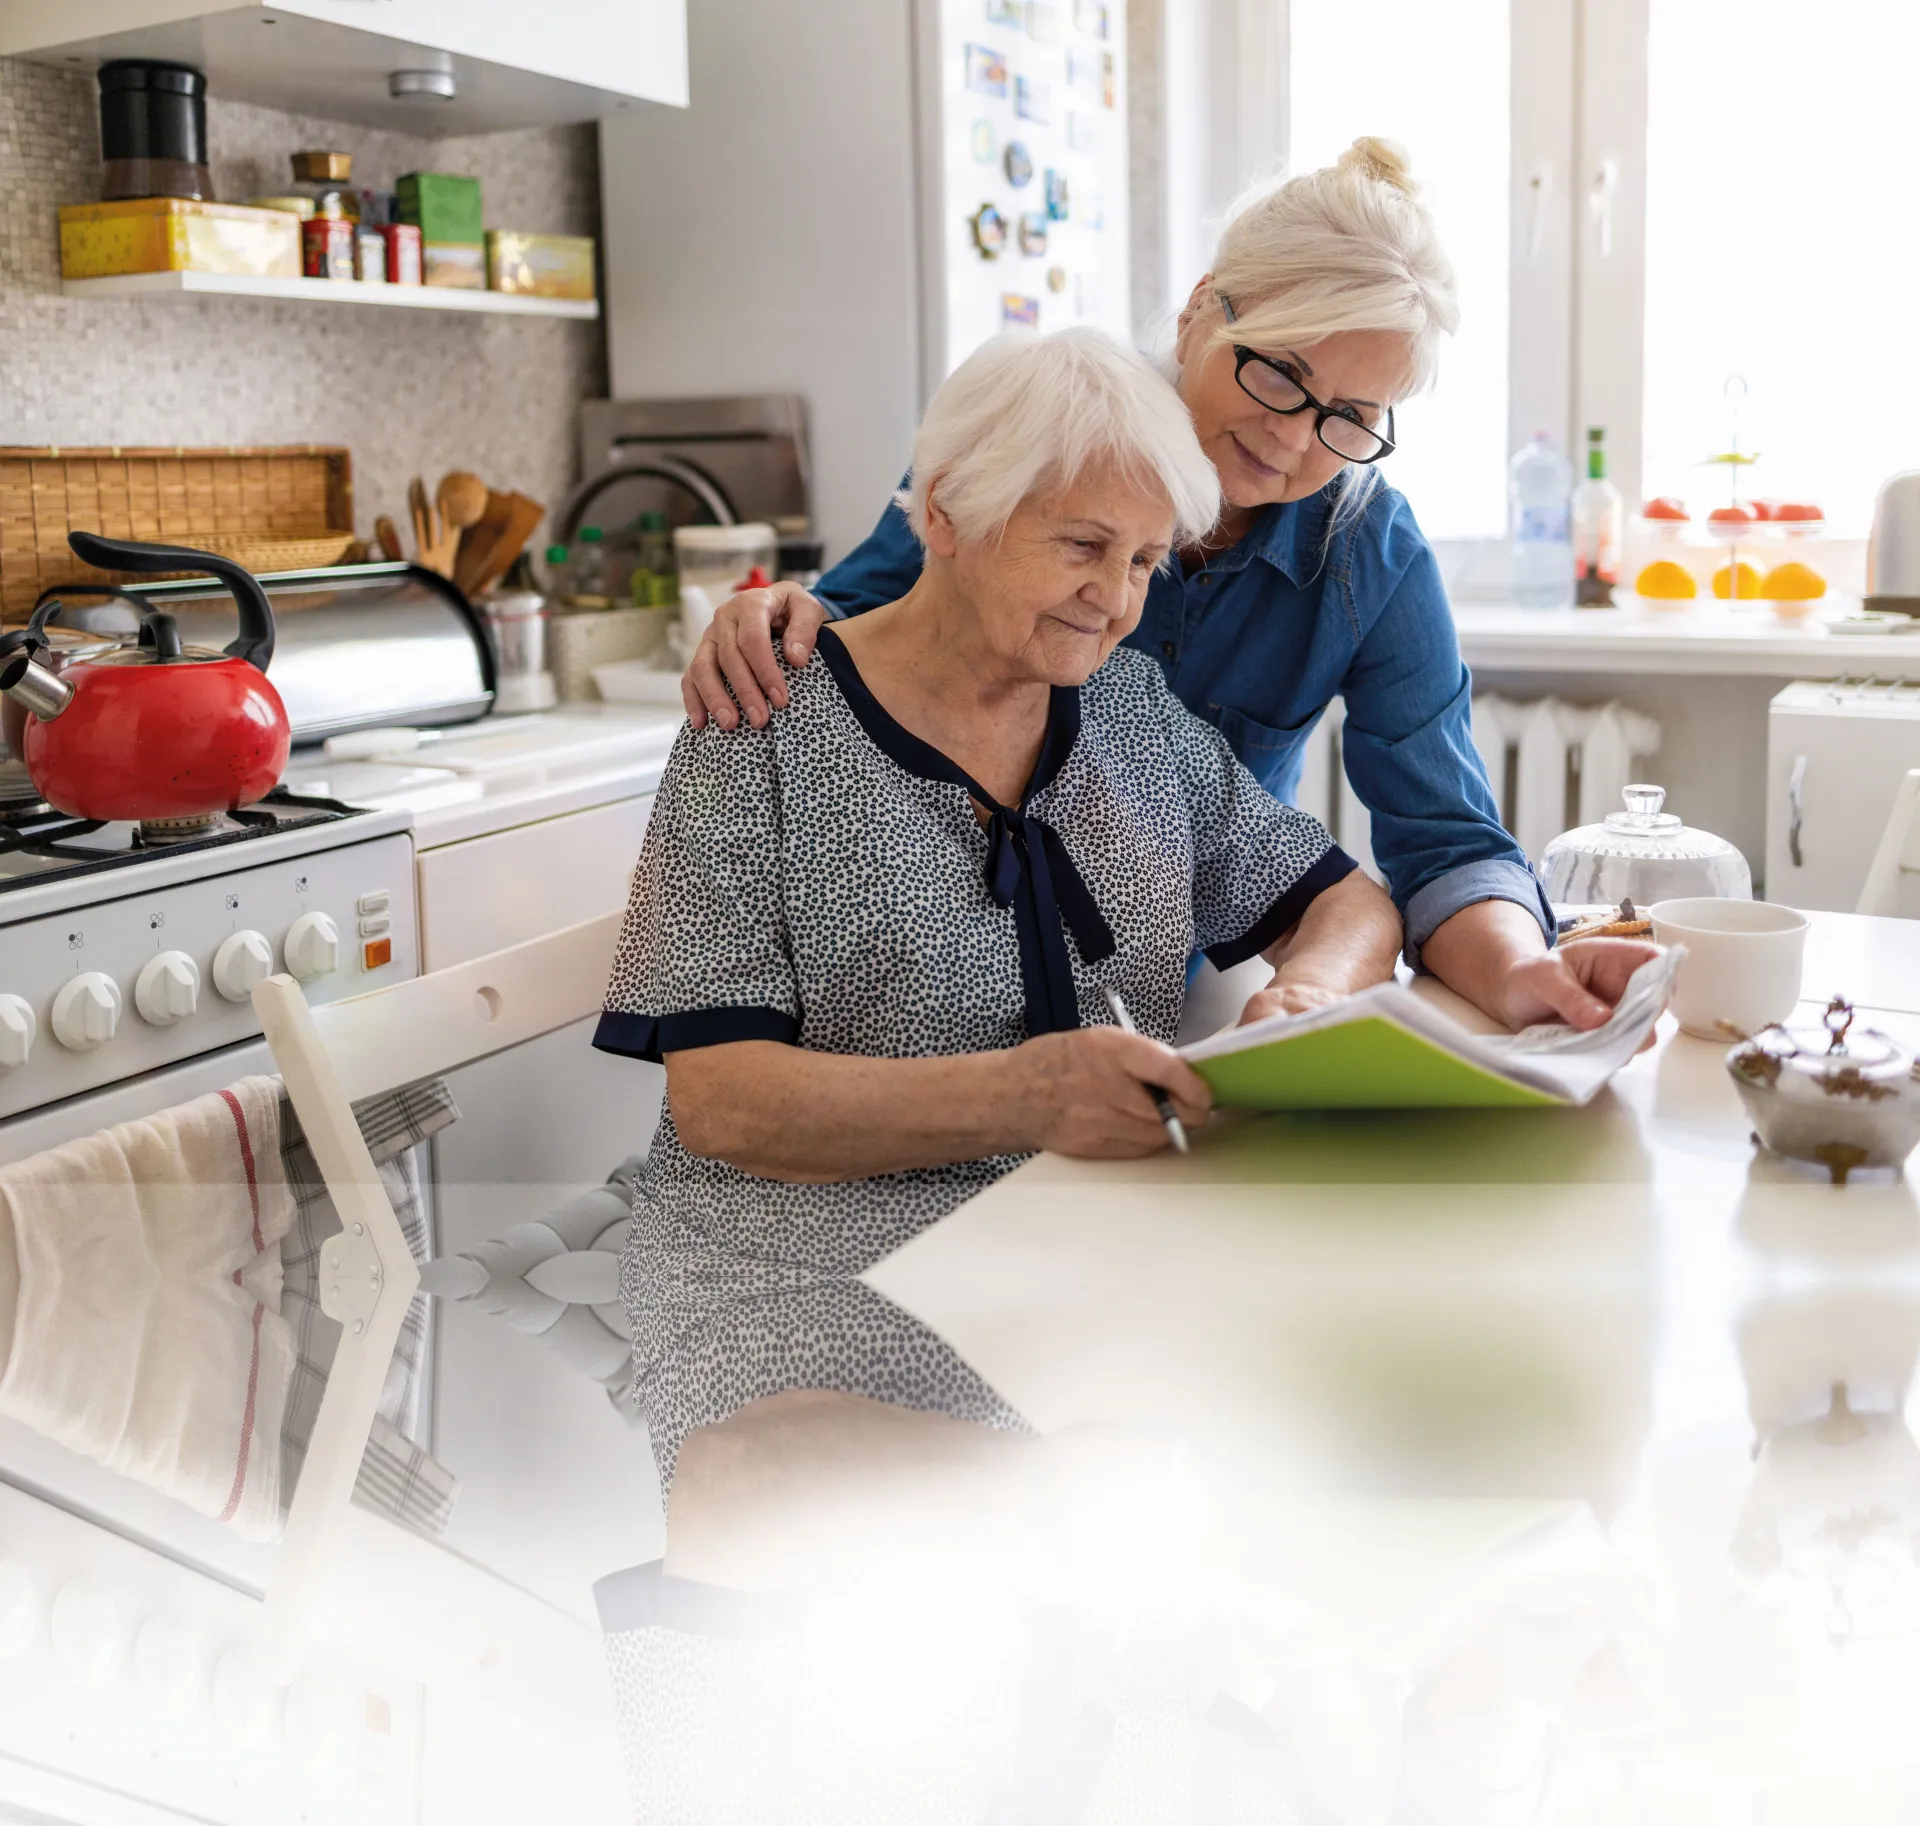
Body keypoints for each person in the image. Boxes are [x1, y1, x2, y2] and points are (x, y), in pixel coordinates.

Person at [593, 326, 1404, 1491]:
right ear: (947, 512)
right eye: (1082, 545)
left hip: (1067, 1303)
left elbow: (1349, 903)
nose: (1114, 601)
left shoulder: (1130, 711)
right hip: (789, 1321)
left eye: (1144, 561)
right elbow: (722, 1101)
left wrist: (1309, 993)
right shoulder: (762, 718)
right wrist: (1026, 1096)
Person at [678, 137, 1651, 1036]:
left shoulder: (1369, 554)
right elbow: (855, 631)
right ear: (1199, 311)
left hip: (1159, 993)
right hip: (923, 993)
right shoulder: (1041, 435)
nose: (1293, 437)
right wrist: (773, 614)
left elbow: (1444, 842)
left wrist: (1524, 970)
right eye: (1280, 373)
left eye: (1350, 416)